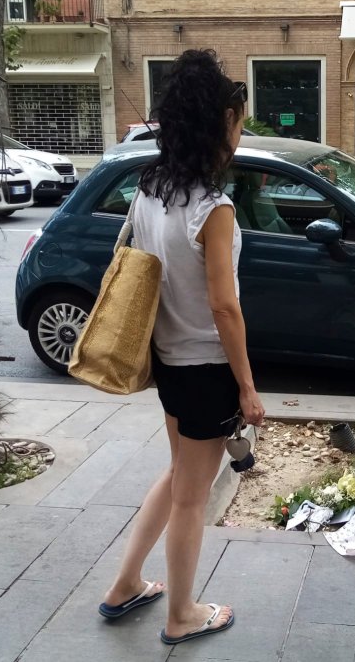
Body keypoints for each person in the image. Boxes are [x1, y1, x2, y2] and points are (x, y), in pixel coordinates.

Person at [97, 49, 265, 647]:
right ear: (219, 121)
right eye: (239, 122)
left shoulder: (150, 192)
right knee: (194, 497)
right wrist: (246, 386)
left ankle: (124, 585)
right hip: (205, 369)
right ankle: (182, 614)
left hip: (168, 364)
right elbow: (225, 306)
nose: (240, 135)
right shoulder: (213, 209)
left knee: (177, 477)